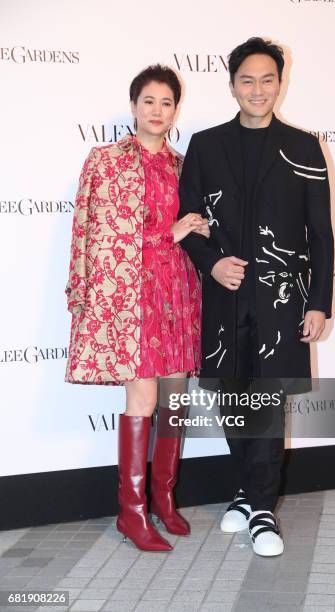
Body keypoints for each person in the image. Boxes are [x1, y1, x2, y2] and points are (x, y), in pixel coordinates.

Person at [179, 37, 334, 556]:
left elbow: (322, 232)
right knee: (232, 397)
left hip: (282, 299)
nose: (258, 89)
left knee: (268, 400)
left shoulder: (304, 146)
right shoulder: (205, 145)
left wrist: (319, 302)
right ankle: (247, 490)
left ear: (280, 83)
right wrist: (211, 263)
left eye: (268, 79)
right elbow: (190, 221)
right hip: (223, 297)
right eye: (248, 79)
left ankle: (262, 507)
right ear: (232, 85)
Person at [65, 64, 209, 552]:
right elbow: (105, 238)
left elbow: (199, 229)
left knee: (175, 401)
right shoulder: (106, 162)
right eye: (149, 101)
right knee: (143, 401)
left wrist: (203, 231)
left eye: (167, 103)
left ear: (175, 112)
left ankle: (164, 502)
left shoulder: (184, 166)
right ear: (133, 107)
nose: (157, 110)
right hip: (132, 299)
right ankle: (132, 512)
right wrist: (171, 233)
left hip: (178, 292)